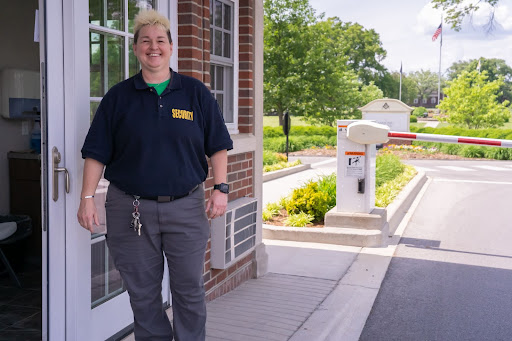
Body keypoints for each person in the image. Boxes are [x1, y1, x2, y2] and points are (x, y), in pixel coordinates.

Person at [77, 9, 233, 341]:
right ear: (135, 49)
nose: (153, 47)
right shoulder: (118, 98)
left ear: (171, 47)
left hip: (186, 207)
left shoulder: (195, 93)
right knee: (143, 295)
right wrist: (87, 198)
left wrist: (221, 187)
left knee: (189, 290)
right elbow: (96, 153)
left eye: (160, 40)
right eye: (145, 41)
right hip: (130, 209)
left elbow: (218, 144)